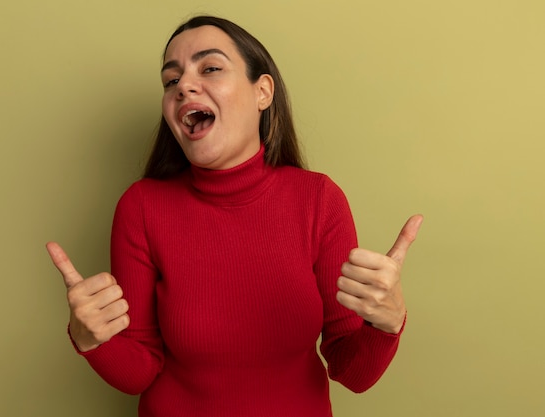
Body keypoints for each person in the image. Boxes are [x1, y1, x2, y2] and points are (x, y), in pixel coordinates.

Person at [46, 15, 423, 417]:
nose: (184, 86)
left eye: (210, 68)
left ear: (262, 92)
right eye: (171, 81)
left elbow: (352, 372)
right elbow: (138, 372)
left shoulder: (318, 200)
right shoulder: (141, 207)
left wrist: (387, 323)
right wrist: (91, 339)